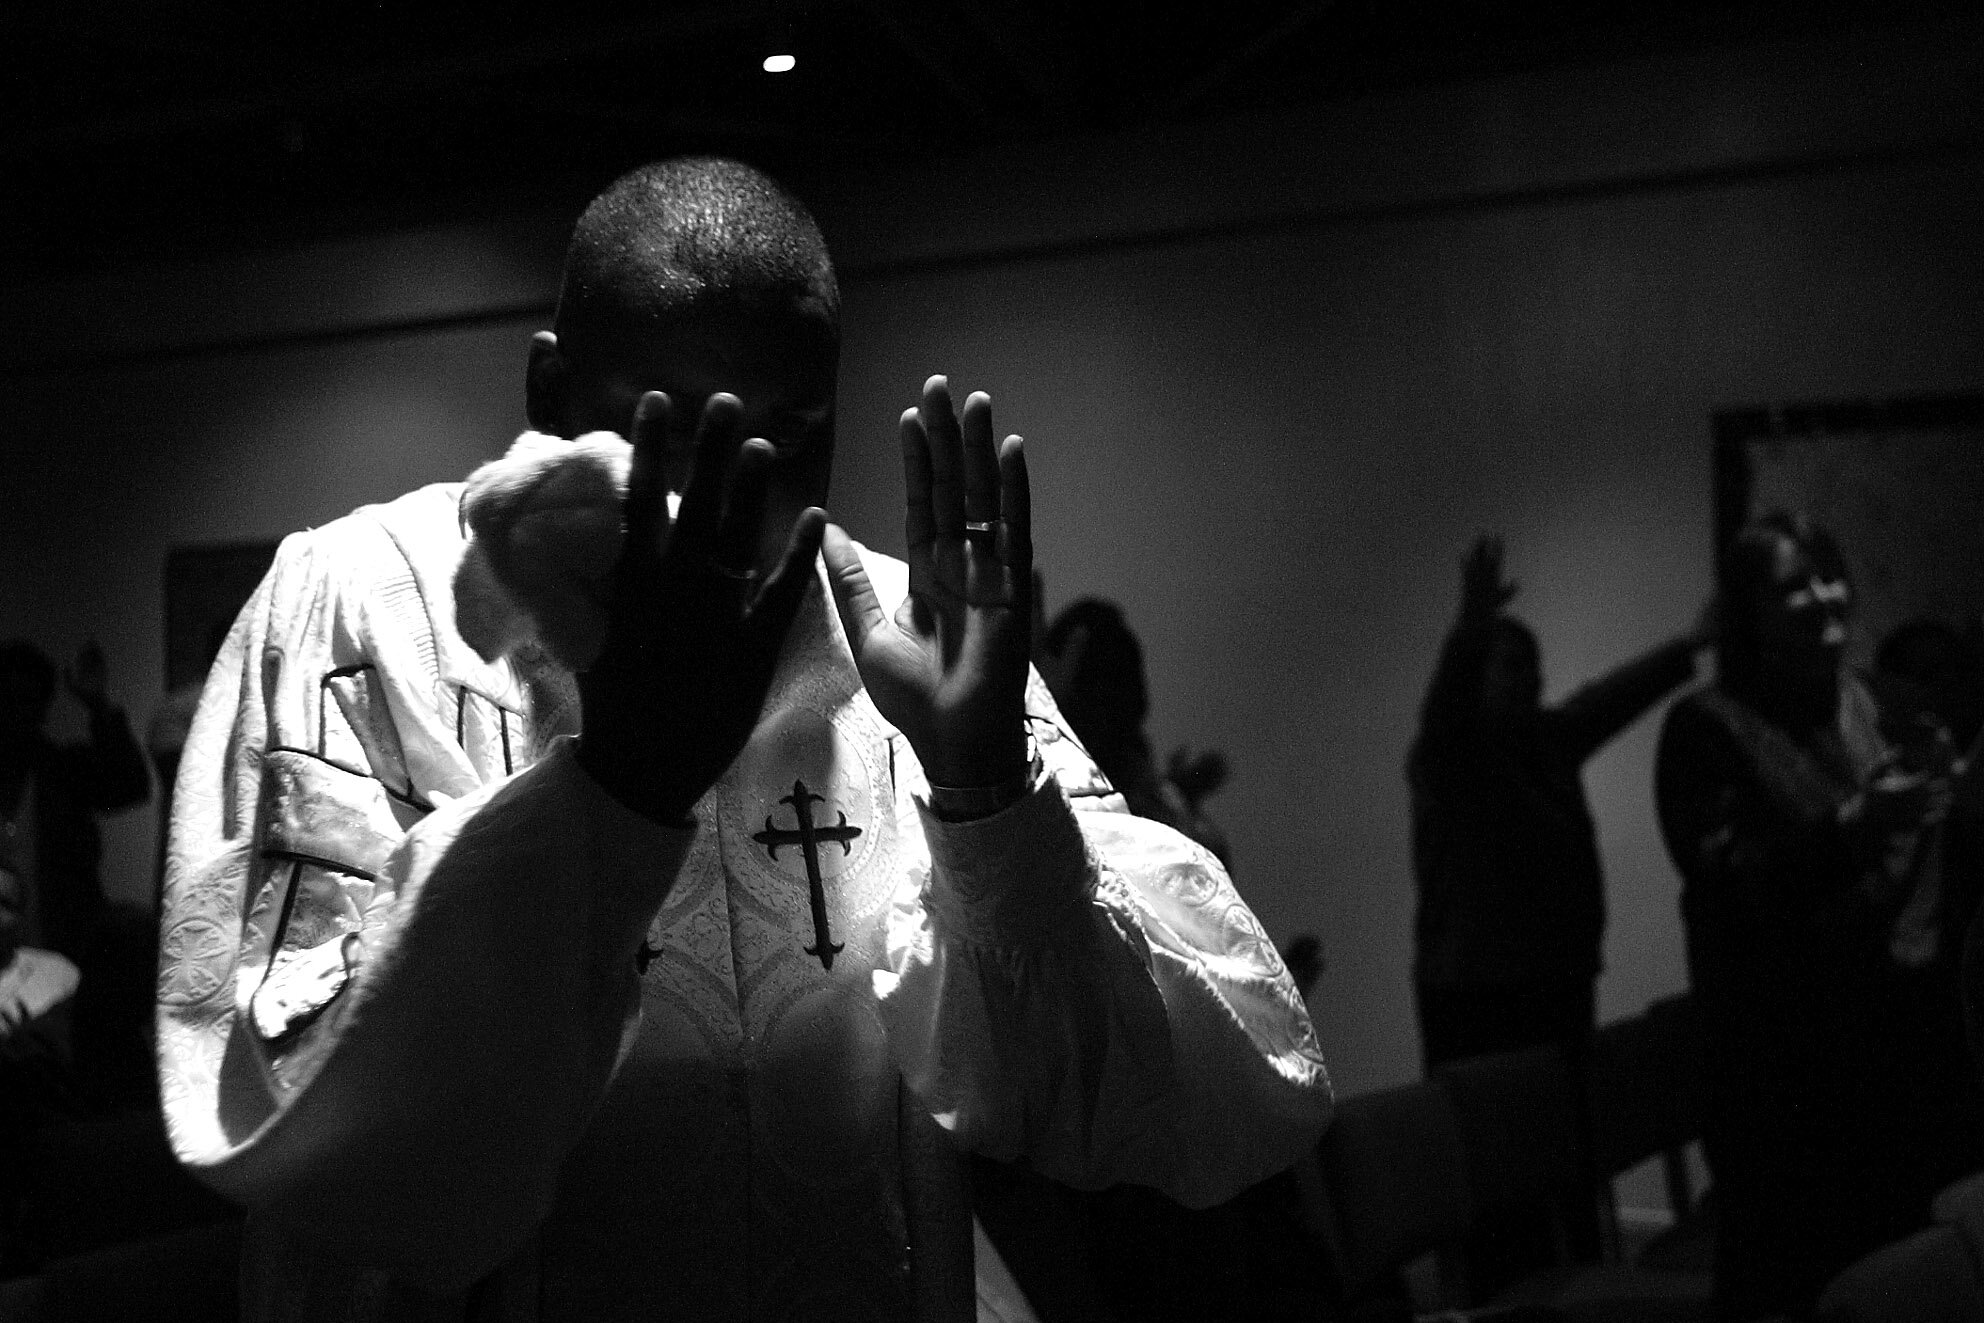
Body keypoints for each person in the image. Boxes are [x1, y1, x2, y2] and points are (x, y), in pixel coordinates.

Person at [156, 157, 1332, 1321]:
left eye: (790, 434)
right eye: (665, 431)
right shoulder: (362, 603)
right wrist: (614, 795)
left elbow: (1187, 1108)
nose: (734, 497)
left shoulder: (903, 636)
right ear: (550, 394)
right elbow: (308, 1124)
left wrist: (987, 790)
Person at [1655, 510, 1984, 1322]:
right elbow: (1730, 887)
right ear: (1749, 613)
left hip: (1896, 1060)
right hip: (1780, 1074)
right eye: (1796, 584)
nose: (1827, 594)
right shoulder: (1705, 727)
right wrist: (1854, 825)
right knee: (1792, 1284)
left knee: (1895, 1279)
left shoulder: (1875, 700)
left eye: (1833, 574)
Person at [1409, 535, 1714, 1071]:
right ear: (1477, 679)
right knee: (1487, 1142)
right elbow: (1448, 707)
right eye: (1511, 667)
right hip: (1477, 992)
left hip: (1559, 978)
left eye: (1533, 667)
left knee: (1558, 1139)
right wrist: (1472, 626)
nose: (1531, 680)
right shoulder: (1451, 758)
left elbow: (1610, 698)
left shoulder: (1550, 740)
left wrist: (1690, 646)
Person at [0, 640, 151, 1103]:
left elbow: (129, 784)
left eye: (26, 700)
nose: (14, 712)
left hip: (64, 957)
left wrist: (98, 704)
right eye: (6, 698)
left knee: (68, 1088)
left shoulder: (62, 770)